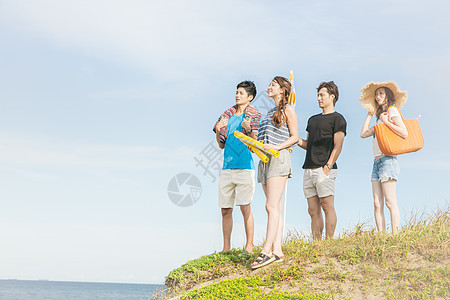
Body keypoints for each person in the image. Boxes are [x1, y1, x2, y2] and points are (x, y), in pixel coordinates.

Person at [250, 76, 299, 269]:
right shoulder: (269, 112)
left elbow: (294, 137)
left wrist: (277, 147)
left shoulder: (288, 109)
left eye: (273, 85)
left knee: (270, 206)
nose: (269, 87)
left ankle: (266, 250)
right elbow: (262, 143)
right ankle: (277, 250)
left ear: (283, 90)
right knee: (275, 207)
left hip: (279, 159)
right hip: (265, 161)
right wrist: (250, 135)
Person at [213, 81, 262, 253]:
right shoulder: (227, 116)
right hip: (227, 168)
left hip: (244, 167)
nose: (237, 95)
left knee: (245, 207)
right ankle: (226, 248)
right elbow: (221, 145)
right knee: (225, 210)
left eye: (241, 93)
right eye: (236, 92)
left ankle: (249, 246)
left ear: (250, 97)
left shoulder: (254, 116)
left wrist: (248, 130)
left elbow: (255, 145)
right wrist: (219, 130)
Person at [298, 81, 346, 240]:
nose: (319, 98)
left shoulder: (338, 119)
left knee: (327, 206)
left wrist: (328, 166)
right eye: (318, 95)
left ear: (332, 97)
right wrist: (295, 140)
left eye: (322, 95)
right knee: (312, 210)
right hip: (308, 169)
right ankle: (316, 243)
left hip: (325, 169)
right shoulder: (312, 120)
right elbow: (307, 144)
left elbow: (338, 146)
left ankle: (329, 241)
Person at [359, 81, 408, 234]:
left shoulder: (391, 112)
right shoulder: (379, 118)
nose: (377, 96)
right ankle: (382, 236)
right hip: (377, 162)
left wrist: (387, 122)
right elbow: (363, 134)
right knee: (377, 203)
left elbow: (404, 133)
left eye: (381, 93)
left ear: (388, 96)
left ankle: (395, 235)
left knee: (390, 202)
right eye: (376, 94)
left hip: (388, 161)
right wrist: (369, 114)